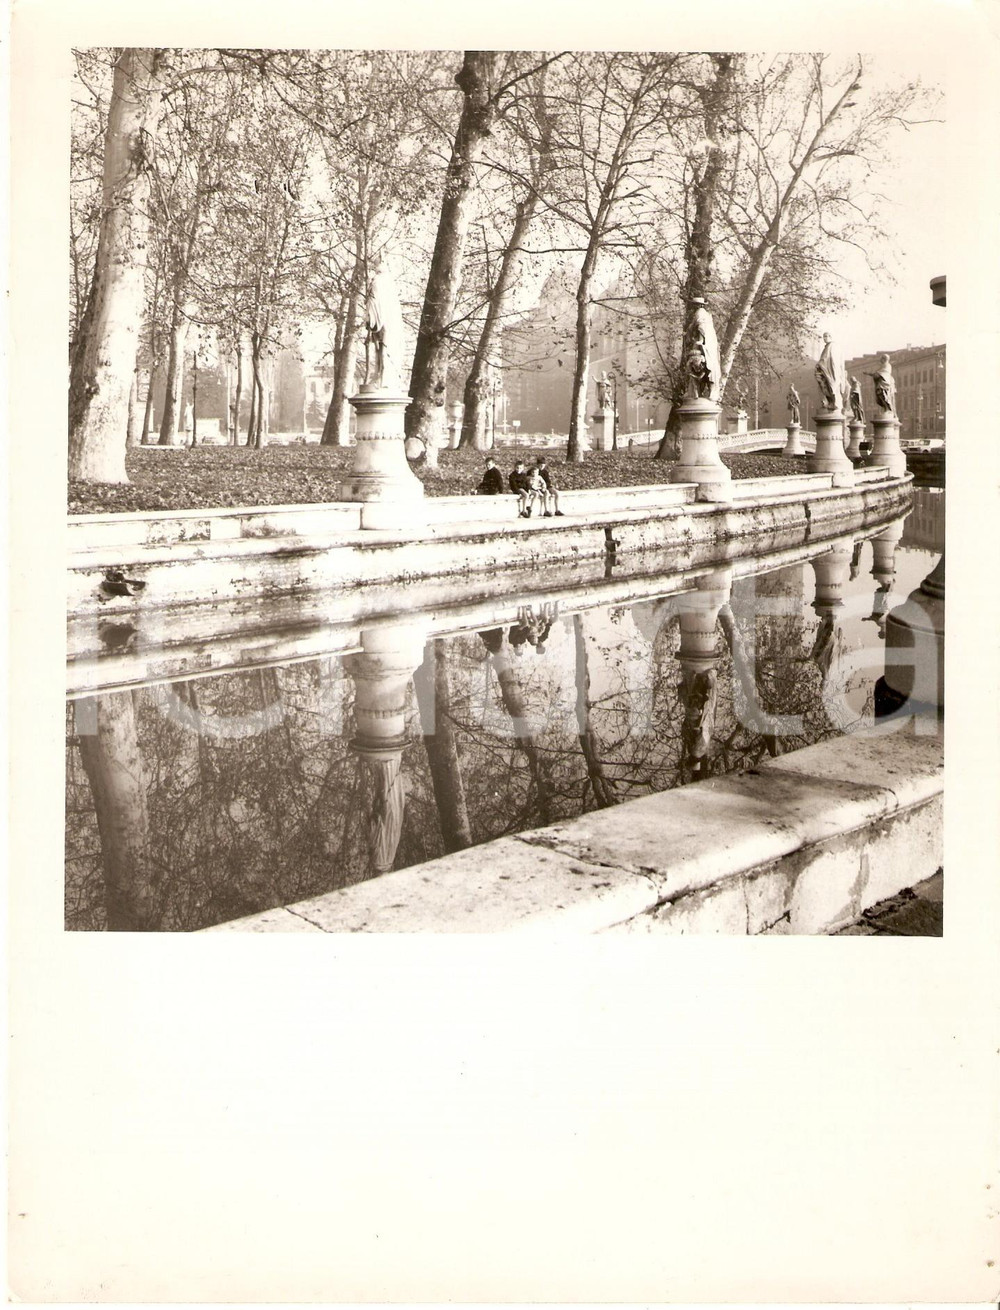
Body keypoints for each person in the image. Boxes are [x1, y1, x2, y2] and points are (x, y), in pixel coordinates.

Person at [815, 332, 841, 410]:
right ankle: (830, 402)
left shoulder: (832, 346)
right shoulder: (827, 347)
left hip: (828, 371)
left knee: (829, 387)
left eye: (826, 336)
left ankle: (832, 403)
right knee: (823, 386)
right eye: (824, 337)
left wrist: (820, 364)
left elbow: (830, 358)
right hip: (823, 370)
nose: (824, 338)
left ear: (830, 336)